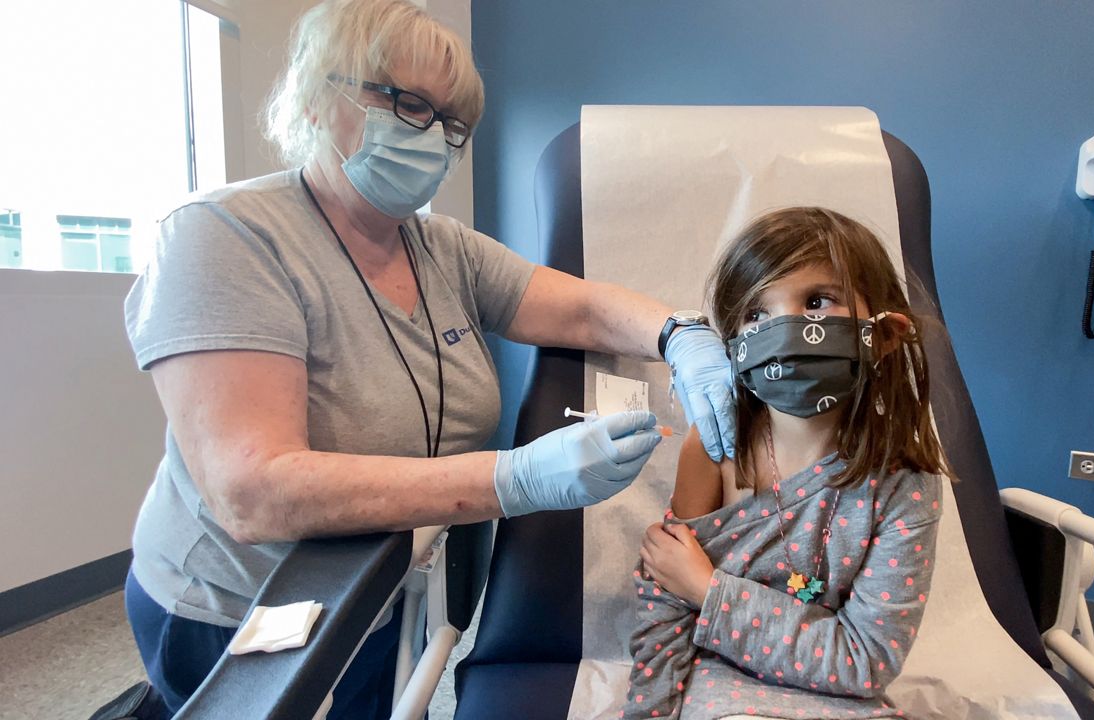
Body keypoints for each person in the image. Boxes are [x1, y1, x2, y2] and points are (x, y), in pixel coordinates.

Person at [119, 1, 734, 717]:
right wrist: (517, 477)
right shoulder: (225, 239)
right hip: (238, 613)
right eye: (409, 103)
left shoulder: (442, 247)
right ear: (320, 95)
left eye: (452, 123)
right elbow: (255, 491)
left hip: (380, 588)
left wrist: (680, 334)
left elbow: (584, 308)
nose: (434, 137)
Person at [622, 207, 950, 719]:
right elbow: (665, 603)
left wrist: (707, 589)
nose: (788, 328)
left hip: (842, 702)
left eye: (817, 302)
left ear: (883, 335)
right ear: (731, 345)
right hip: (722, 688)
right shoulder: (712, 450)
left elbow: (867, 661)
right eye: (756, 314)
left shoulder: (905, 484)